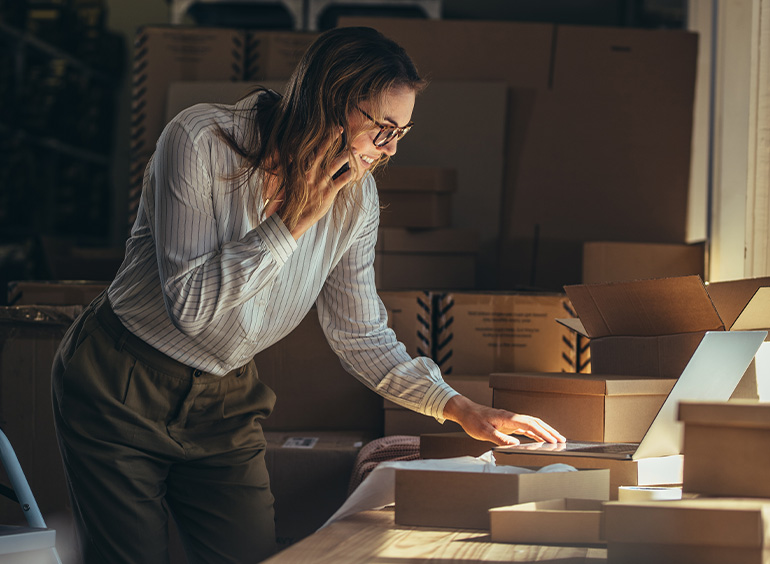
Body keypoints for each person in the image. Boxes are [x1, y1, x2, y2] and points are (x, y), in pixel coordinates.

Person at [51, 26, 565, 564]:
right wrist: (292, 221)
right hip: (119, 381)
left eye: (401, 134)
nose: (388, 152)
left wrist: (460, 408)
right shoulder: (201, 139)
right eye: (382, 130)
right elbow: (191, 307)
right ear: (331, 101)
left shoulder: (356, 198)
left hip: (225, 396)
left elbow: (360, 334)